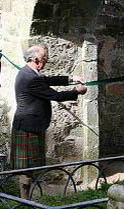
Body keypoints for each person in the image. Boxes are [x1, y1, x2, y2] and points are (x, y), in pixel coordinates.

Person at [10, 44, 87, 200]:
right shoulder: (30, 78)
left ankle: (26, 199)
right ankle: (24, 201)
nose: (45, 62)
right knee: (26, 170)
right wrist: (76, 91)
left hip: (30, 126)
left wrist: (72, 78)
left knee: (29, 169)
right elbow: (55, 96)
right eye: (44, 59)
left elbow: (49, 79)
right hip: (27, 128)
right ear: (34, 59)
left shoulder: (30, 73)